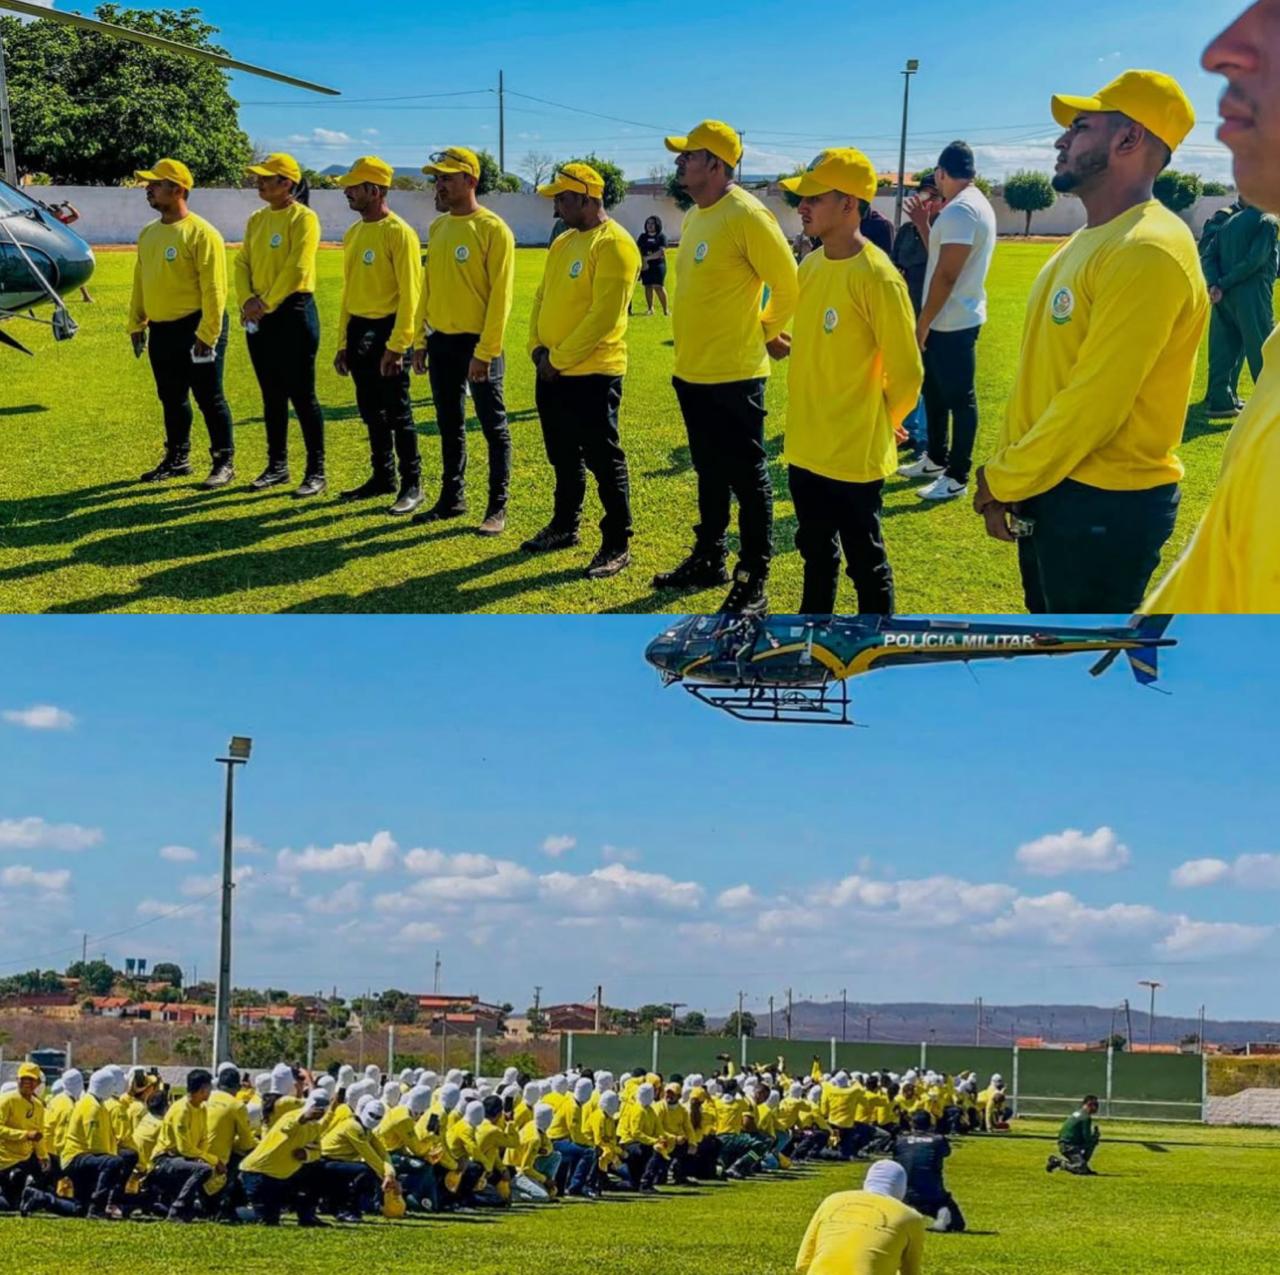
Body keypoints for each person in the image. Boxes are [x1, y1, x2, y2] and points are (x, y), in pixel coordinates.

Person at [974, 70, 1208, 613]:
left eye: (1079, 127)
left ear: (1129, 140)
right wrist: (1015, 473)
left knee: (1083, 675)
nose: (1060, 140)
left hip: (1104, 504)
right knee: (1054, 657)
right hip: (1056, 487)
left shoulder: (1147, 249)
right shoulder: (1089, 239)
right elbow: (1046, 375)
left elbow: (1094, 404)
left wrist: (1005, 477)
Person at [1142, 1, 1280, 611]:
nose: (1220, 49)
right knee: (1232, 353)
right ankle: (1219, 394)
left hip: (1249, 291)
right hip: (1229, 290)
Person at [654, 119, 799, 614]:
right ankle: (709, 557)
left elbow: (788, 283)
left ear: (715, 164)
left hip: (735, 375)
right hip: (692, 371)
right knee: (708, 472)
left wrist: (761, 330)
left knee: (748, 478)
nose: (679, 162)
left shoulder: (748, 215)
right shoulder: (698, 214)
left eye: (688, 155)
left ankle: (752, 576)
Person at [781, 148, 923, 615]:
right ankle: (812, 641)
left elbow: (908, 372)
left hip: (853, 452)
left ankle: (875, 651)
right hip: (806, 445)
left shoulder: (878, 276)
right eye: (802, 197)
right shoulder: (812, 266)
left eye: (814, 197)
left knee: (866, 563)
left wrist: (885, 419)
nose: (802, 206)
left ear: (849, 204)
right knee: (816, 555)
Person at [524, 162, 642, 580]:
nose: (556, 208)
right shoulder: (563, 242)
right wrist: (537, 348)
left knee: (602, 458)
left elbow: (604, 317)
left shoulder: (615, 245)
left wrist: (559, 359)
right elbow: (542, 297)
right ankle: (565, 525)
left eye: (563, 198)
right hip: (552, 369)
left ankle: (616, 542)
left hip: (594, 373)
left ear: (590, 198)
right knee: (562, 456)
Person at [411, 146, 516, 535]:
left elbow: (500, 297)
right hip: (441, 343)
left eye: (446, 178)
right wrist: (421, 340)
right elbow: (428, 287)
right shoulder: (438, 228)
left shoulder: (492, 228)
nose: (438, 185)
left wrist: (485, 352)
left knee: (493, 426)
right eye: (436, 178)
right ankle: (452, 499)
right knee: (449, 423)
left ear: (470, 180)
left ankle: (497, 508)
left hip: (479, 346)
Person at [127, 158, 236, 489]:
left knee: (209, 397)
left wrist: (208, 335)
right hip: (162, 330)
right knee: (171, 397)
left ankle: (224, 462)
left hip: (197, 328)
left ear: (178, 190)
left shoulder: (202, 233)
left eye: (156, 184)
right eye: (149, 184)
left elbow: (215, 289)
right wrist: (136, 323)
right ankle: (178, 458)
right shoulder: (148, 233)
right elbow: (140, 280)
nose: (148, 188)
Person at [897, 141, 997, 501]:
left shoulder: (962, 211)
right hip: (949, 318)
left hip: (952, 321)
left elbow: (946, 275)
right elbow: (940, 256)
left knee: (959, 399)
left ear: (941, 172)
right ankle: (936, 459)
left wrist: (923, 323)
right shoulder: (966, 207)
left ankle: (957, 475)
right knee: (935, 393)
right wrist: (925, 226)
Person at [333, 155, 424, 517]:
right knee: (370, 410)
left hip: (388, 331)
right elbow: (348, 292)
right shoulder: (354, 233)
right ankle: (382, 477)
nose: (347, 193)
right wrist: (343, 342)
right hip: (359, 330)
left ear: (374, 190)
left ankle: (412, 484)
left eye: (353, 187)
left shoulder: (399, 233)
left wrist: (399, 345)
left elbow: (411, 295)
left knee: (397, 412)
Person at [236, 152, 327, 498]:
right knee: (271, 394)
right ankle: (277, 466)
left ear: (287, 183)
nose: (259, 182)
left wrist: (265, 303)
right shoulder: (257, 220)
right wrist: (247, 300)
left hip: (293, 313)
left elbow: (297, 267)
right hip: (259, 315)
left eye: (267, 177)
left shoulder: (303, 218)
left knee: (303, 395)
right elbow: (242, 261)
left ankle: (316, 471)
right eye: (258, 177)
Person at [1201, 196, 1279, 418]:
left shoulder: (1229, 222)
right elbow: (1255, 261)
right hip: (1252, 294)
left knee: (1223, 349)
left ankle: (1220, 401)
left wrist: (1216, 283)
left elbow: (1208, 255)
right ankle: (1270, 406)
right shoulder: (1267, 221)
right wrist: (1223, 282)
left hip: (1223, 297)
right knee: (1262, 349)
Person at [795, 1159, 926, 1275]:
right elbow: (911, 1271)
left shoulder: (831, 1201)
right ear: (901, 1188)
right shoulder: (910, 1217)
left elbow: (802, 1262)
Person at [893, 176, 942, 459]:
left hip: (933, 314)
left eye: (933, 196)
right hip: (907, 311)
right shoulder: (904, 232)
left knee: (929, 377)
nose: (926, 201)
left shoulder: (940, 230)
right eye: (923, 194)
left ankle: (926, 437)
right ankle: (909, 431)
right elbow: (895, 266)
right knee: (909, 372)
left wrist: (925, 225)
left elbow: (940, 262)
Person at [239, 1089, 330, 1226]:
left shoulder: (315, 1127)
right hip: (258, 1173)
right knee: (265, 1220)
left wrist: (306, 1154)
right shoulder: (292, 1116)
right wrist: (303, 1118)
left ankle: (307, 1216)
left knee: (272, 1218)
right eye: (317, 1104)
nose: (320, 1109)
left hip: (279, 1178)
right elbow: (286, 1129)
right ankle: (232, 1213)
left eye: (324, 1105)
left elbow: (317, 1151)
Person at [150, 1068, 221, 1220]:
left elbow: (203, 1140)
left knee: (204, 1167)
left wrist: (203, 1156)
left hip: (184, 1159)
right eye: (209, 1088)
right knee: (204, 1169)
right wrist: (213, 1160)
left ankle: (189, 1208)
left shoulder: (201, 1109)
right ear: (202, 1089)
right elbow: (184, 1148)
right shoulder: (181, 1110)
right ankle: (177, 1210)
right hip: (165, 1160)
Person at [894, 1111, 965, 1232]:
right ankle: (942, 1212)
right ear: (931, 1124)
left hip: (904, 1193)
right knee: (958, 1225)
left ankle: (908, 1213)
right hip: (933, 1193)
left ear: (912, 1124)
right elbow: (946, 1152)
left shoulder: (901, 1140)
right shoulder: (938, 1140)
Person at [204, 1061, 256, 1221]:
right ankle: (231, 1201)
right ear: (238, 1087)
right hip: (218, 1161)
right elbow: (247, 1143)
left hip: (195, 1152)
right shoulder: (237, 1106)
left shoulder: (205, 1097)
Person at [0, 1063, 49, 1210]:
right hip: (5, 1159)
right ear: (17, 1080)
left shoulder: (38, 1106)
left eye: (31, 1080)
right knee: (10, 1204)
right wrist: (24, 1135)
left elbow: (38, 1134)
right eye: (24, 1079)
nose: (27, 1083)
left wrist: (43, 1156)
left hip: (24, 1159)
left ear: (38, 1083)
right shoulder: (7, 1101)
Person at [46, 201, 94, 301]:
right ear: (54, 213)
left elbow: (76, 216)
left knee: (73, 271)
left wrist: (69, 206)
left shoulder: (62, 220)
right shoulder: (47, 221)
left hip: (65, 248)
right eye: (60, 211)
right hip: (54, 249)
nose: (62, 213)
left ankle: (85, 296)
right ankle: (60, 296)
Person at [1047, 1095, 1101, 1175]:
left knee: (1090, 1144)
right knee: (1081, 1169)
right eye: (1095, 1105)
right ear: (1089, 1104)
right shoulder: (1085, 1117)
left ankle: (1083, 1166)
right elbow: (1086, 1138)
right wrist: (1095, 1138)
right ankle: (1058, 1162)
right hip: (1069, 1146)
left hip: (1065, 1143)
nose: (1097, 1108)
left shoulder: (1078, 1113)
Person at [637, 215, 669, 316]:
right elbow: (638, 249)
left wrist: (647, 258)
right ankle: (650, 309)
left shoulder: (661, 237)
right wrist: (642, 261)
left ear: (657, 225)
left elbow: (661, 252)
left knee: (658, 286)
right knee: (648, 286)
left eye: (652, 224)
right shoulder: (643, 237)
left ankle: (665, 310)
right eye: (648, 223)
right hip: (645, 266)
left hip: (658, 265)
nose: (649, 226)